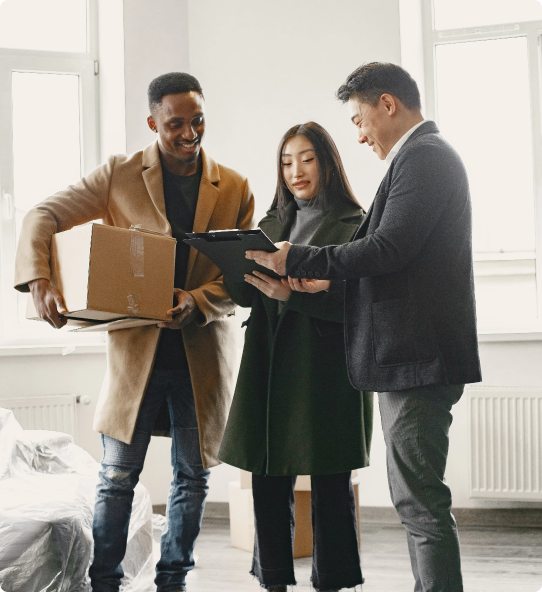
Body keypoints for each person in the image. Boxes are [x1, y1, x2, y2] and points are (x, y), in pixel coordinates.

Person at [14, 72, 254, 592]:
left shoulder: (234, 186)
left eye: (198, 121)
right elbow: (43, 213)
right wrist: (39, 278)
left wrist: (198, 301)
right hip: (135, 360)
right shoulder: (119, 175)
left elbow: (243, 275)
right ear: (153, 122)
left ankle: (173, 580)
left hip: (202, 356)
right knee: (117, 478)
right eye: (176, 125)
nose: (190, 133)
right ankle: (105, 582)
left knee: (193, 478)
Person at [246, 63, 482, 592]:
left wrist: (300, 262)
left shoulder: (426, 158)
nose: (359, 133)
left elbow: (387, 249)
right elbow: (398, 264)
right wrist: (325, 286)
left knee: (419, 506)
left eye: (359, 118)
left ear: (388, 105)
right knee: (416, 502)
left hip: (418, 361)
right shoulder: (420, 159)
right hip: (411, 359)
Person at [219, 122, 373, 592]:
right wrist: (229, 266)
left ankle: (334, 580)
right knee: (267, 477)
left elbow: (358, 306)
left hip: (325, 368)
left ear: (326, 162)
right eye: (287, 161)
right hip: (269, 364)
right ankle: (274, 581)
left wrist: (292, 296)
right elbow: (249, 299)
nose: (295, 171)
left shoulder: (355, 224)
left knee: (329, 483)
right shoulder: (268, 225)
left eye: (306, 158)